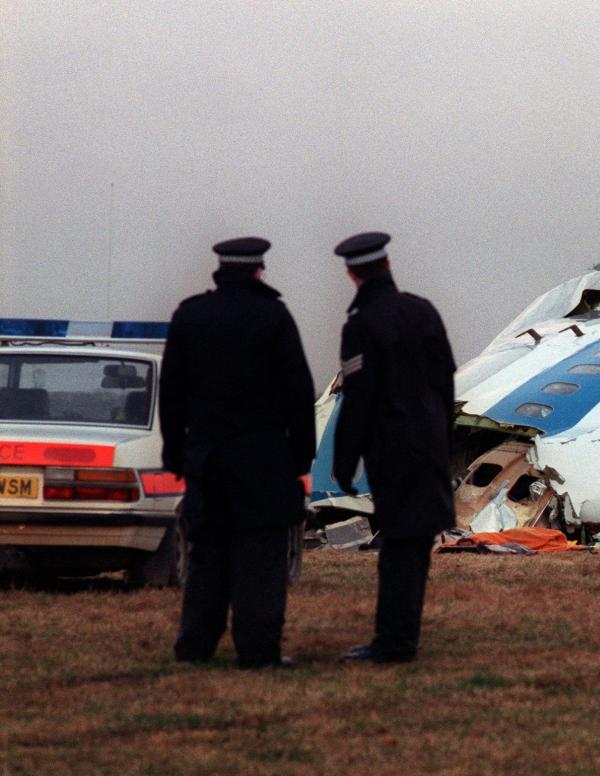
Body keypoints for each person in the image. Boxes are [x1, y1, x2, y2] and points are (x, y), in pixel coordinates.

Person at [160, 237, 316, 669]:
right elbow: (299, 395)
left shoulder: (190, 315)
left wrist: (176, 454)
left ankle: (195, 646)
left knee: (207, 557)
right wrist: (301, 460)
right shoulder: (274, 317)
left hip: (207, 461)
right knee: (260, 562)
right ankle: (258, 650)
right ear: (259, 270)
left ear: (220, 269)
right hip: (264, 461)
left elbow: (171, 394)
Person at [331, 231, 456, 663]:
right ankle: (401, 636)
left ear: (352, 272)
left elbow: (358, 398)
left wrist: (343, 462)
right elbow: (446, 383)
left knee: (398, 549)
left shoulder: (361, 325)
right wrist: (443, 436)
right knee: (415, 547)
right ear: (386, 264)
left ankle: (394, 643)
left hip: (392, 452)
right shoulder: (423, 313)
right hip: (430, 446)